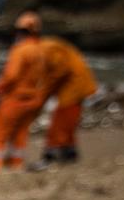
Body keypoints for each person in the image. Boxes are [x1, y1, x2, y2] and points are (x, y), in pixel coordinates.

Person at [0, 11, 50, 172]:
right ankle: (17, 165)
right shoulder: (41, 50)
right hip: (33, 98)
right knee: (21, 133)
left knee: (0, 134)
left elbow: (11, 76)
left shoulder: (20, 50)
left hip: (15, 98)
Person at [37, 27, 97, 163]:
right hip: (75, 87)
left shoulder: (47, 48)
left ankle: (52, 155)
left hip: (74, 88)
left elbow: (60, 70)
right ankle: (69, 152)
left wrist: (45, 91)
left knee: (61, 121)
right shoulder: (48, 46)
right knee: (67, 121)